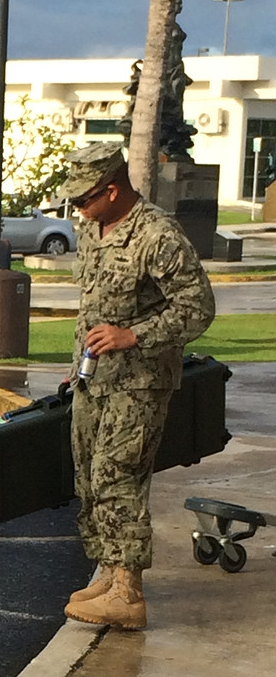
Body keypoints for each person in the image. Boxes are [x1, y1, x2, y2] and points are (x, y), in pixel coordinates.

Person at [62, 143, 215, 630]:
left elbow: (197, 308)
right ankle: (108, 573)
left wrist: (134, 336)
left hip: (140, 383)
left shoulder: (157, 234)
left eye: (83, 199)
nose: (76, 209)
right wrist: (77, 363)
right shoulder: (92, 228)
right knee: (89, 475)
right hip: (95, 379)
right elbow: (94, 307)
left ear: (112, 190)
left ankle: (128, 591)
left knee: (118, 475)